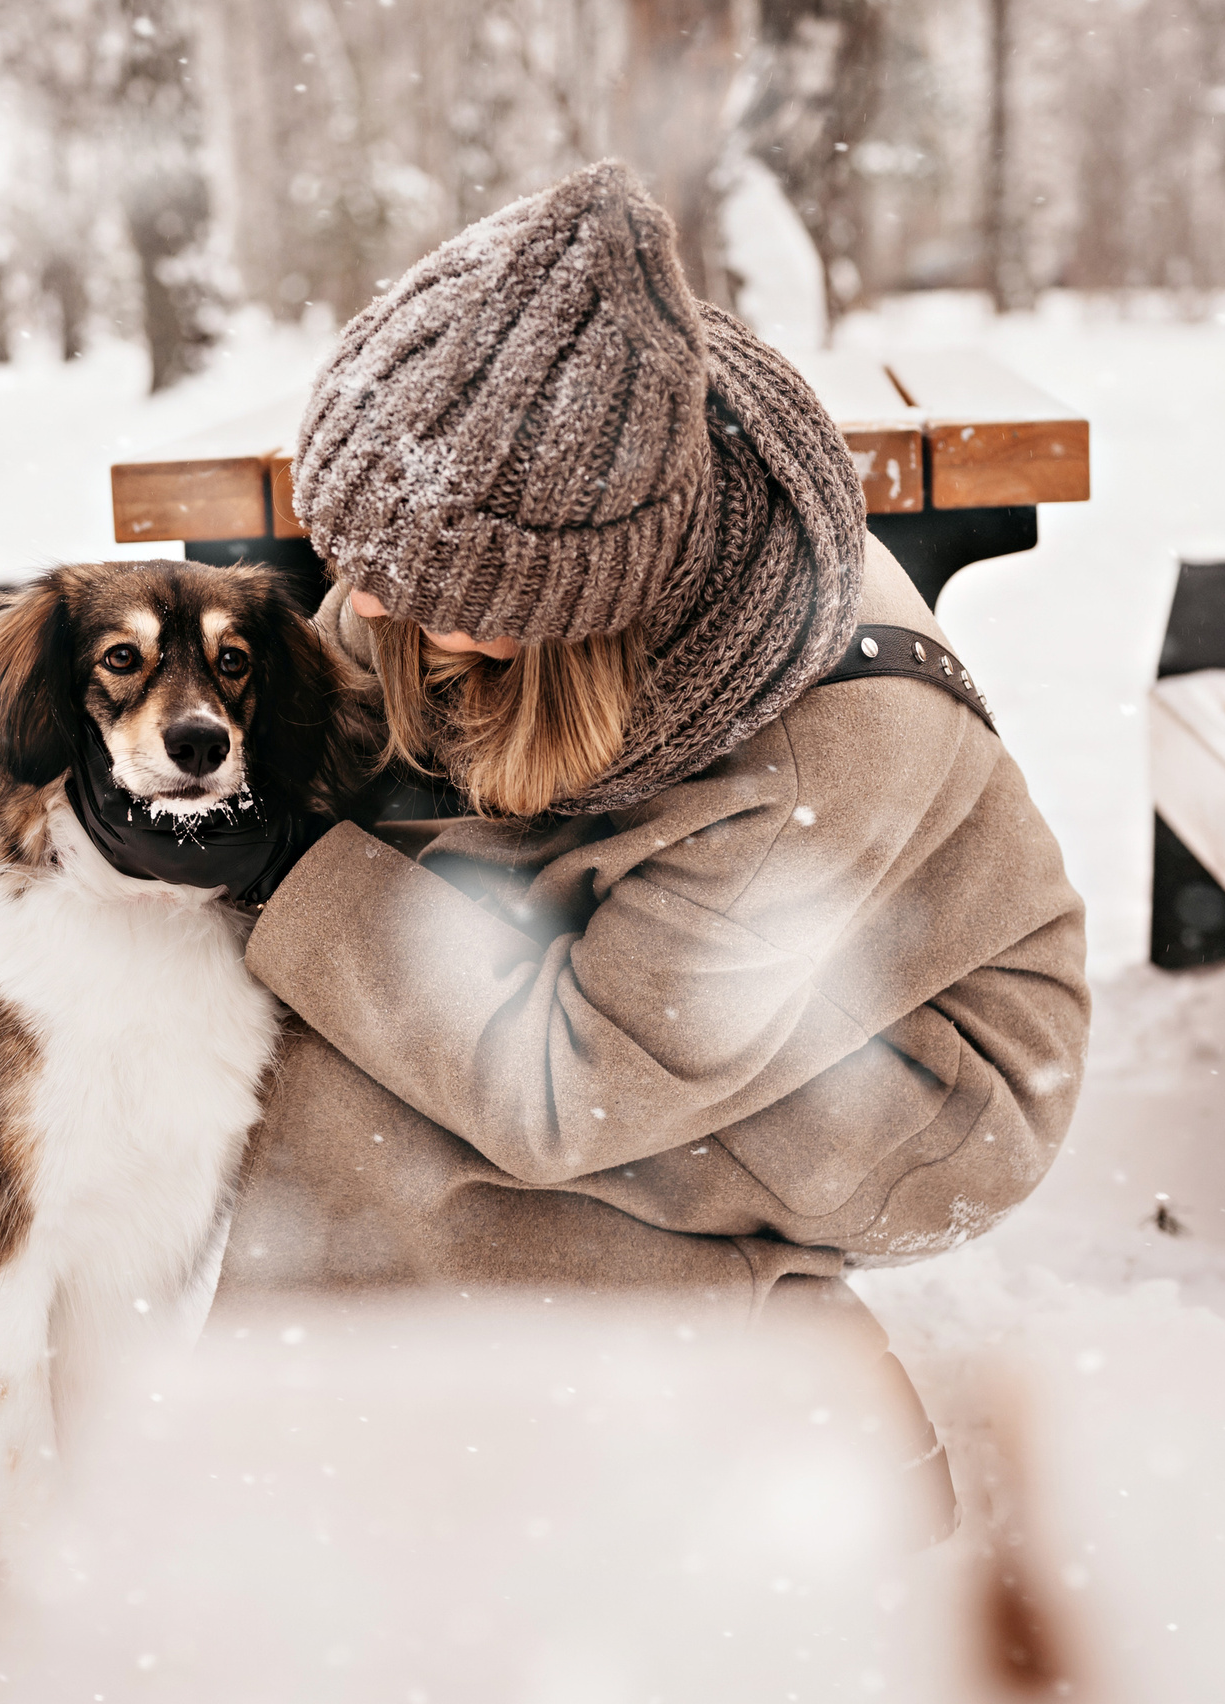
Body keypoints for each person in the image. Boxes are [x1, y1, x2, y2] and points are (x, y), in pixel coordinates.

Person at [208, 162, 1089, 1527]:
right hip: (656, 956)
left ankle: (806, 1409)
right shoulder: (537, 531)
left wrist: (283, 878)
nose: (360, 593)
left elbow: (576, 1093)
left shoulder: (823, 755)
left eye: (412, 588)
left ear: (563, 614)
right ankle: (361, 1445)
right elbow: (362, 720)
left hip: (913, 1062)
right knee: (343, 1032)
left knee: (395, 1119)